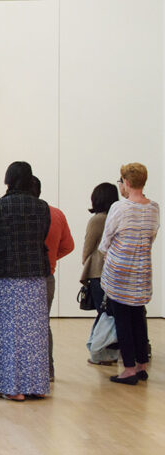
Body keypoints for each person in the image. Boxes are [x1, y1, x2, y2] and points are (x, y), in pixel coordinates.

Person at [0, 161, 51, 401]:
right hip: (35, 276)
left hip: (6, 276)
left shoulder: (0, 206)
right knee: (35, 333)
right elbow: (42, 236)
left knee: (7, 331)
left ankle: (13, 388)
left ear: (8, 179)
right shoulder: (41, 207)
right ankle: (37, 385)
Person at [100, 163, 159, 385]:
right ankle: (142, 364)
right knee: (138, 318)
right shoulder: (154, 207)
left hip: (120, 272)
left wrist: (108, 254)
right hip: (142, 271)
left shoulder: (119, 208)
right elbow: (151, 236)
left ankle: (129, 369)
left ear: (125, 182)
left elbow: (106, 241)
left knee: (123, 320)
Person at [31, 175, 74, 381]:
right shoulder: (56, 214)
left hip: (27, 275)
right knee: (43, 323)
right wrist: (51, 258)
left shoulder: (26, 215)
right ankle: (47, 371)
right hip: (48, 275)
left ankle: (29, 373)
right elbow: (68, 246)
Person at [80, 182, 119, 364]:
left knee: (104, 313)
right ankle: (109, 351)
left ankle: (97, 349)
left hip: (98, 271)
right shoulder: (117, 217)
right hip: (115, 272)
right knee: (111, 313)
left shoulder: (97, 220)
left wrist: (85, 263)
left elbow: (88, 246)